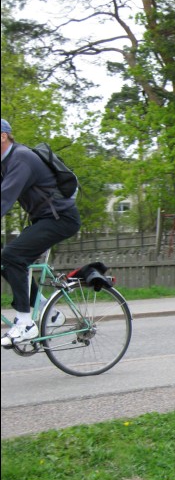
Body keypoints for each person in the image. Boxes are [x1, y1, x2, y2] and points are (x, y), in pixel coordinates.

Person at [1, 118, 81, 347]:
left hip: (61, 218)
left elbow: (4, 198)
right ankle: (48, 310)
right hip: (43, 219)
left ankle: (26, 323)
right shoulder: (4, 162)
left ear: (3, 136)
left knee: (13, 255)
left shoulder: (20, 158)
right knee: (6, 259)